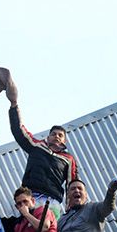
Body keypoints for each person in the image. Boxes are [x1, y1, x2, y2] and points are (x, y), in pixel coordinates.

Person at [7, 79, 79, 216]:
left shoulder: (68, 159)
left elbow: (72, 183)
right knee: (29, 230)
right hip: (30, 196)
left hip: (52, 200)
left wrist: (71, 209)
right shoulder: (37, 146)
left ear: (65, 140)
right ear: (48, 136)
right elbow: (19, 130)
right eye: (53, 134)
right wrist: (14, 105)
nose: (57, 136)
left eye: (60, 135)